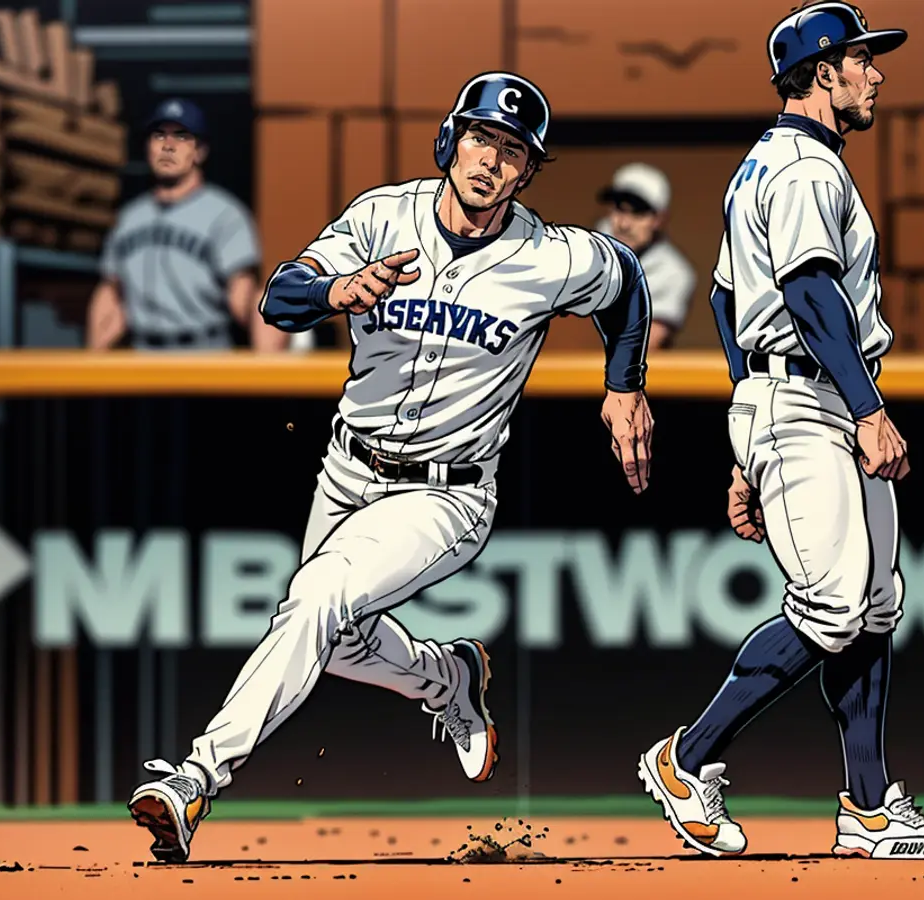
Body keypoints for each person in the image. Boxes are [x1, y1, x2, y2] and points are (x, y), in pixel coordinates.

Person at [126, 71, 655, 863]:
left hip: (446, 495)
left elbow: (626, 285)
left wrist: (624, 389)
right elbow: (280, 298)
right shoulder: (382, 217)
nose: (491, 161)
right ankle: (447, 678)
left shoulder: (552, 257)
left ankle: (198, 778)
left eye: (513, 152)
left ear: (527, 171)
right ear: (450, 139)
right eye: (480, 138)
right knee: (333, 638)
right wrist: (341, 287)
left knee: (315, 598)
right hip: (346, 470)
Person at [636, 1, 924, 858]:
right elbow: (811, 294)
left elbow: (725, 300)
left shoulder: (763, 167)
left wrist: (750, 429)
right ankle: (685, 757)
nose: (875, 73)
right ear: (823, 73)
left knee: (876, 606)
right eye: (861, 60)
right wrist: (866, 409)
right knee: (833, 604)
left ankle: (868, 805)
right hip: (818, 399)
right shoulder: (809, 169)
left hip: (791, 397)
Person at [85, 97, 285, 351]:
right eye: (159, 136)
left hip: (204, 354)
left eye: (181, 137)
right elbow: (111, 295)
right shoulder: (129, 219)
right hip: (141, 356)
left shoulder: (224, 214)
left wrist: (268, 357)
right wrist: (92, 363)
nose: (168, 146)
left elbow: (245, 296)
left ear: (199, 151)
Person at [597, 163, 695, 348]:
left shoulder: (674, 272)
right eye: (619, 209)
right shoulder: (580, 248)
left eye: (638, 213)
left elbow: (642, 346)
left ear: (659, 220)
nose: (624, 224)